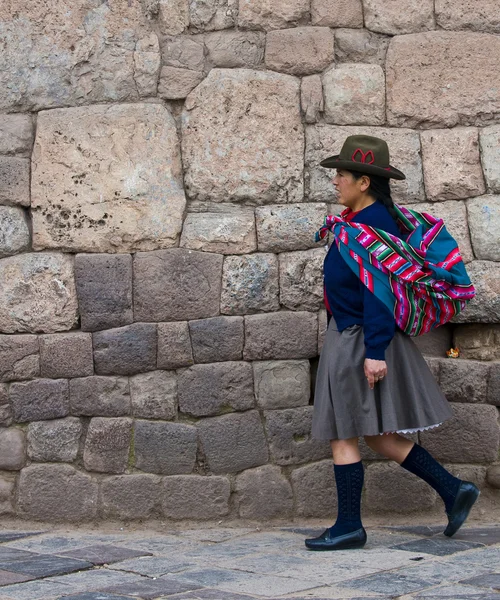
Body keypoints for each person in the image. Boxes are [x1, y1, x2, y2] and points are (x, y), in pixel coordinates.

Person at [305, 135, 479, 551]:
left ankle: (349, 526)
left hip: (358, 338)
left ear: (364, 181)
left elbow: (378, 293)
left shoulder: (372, 229)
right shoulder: (363, 223)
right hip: (351, 334)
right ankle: (454, 490)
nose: (336, 181)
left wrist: (375, 353)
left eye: (342, 174)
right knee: (379, 435)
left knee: (343, 432)